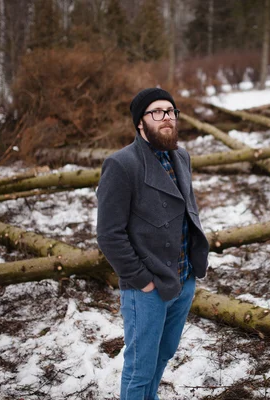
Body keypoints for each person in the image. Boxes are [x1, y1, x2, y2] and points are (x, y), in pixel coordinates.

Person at [96, 87, 209, 400]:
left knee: (164, 353)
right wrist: (142, 280)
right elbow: (108, 234)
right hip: (147, 286)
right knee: (140, 365)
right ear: (140, 123)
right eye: (157, 112)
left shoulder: (181, 156)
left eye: (171, 111)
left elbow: (189, 210)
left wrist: (195, 265)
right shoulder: (122, 165)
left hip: (183, 279)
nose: (167, 118)